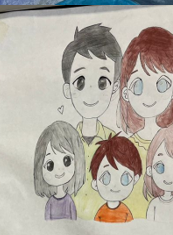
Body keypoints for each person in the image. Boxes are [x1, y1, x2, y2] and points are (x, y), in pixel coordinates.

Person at [118, 27, 173, 219]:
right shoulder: (124, 146)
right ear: (126, 92)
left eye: (161, 84)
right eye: (138, 85)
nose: (149, 95)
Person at [60, 24, 122, 219]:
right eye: (80, 82)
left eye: (102, 82)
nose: (91, 93)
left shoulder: (116, 144)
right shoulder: (64, 144)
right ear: (68, 90)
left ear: (115, 88)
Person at [33, 121, 85, 221]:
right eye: (50, 165)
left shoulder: (69, 201)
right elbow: (46, 221)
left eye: (67, 161)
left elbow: (73, 221)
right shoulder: (50, 203)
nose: (59, 169)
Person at [90, 135, 142, 223]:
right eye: (105, 178)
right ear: (95, 184)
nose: (114, 185)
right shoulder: (101, 212)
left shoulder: (125, 212)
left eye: (125, 178)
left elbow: (130, 228)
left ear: (135, 179)